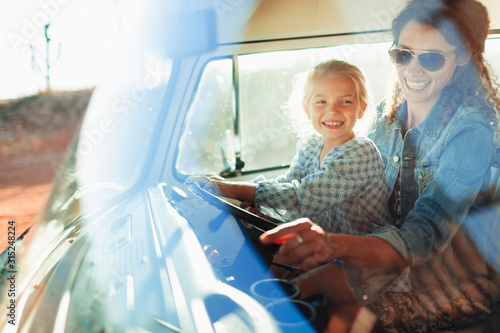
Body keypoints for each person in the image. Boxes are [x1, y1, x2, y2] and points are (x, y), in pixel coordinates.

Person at [260, 0, 500, 331]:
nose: (412, 71)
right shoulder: (387, 113)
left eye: (430, 58)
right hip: (377, 256)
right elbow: (338, 178)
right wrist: (253, 200)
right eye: (403, 55)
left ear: (461, 58)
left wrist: (333, 244)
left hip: (444, 277)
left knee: (320, 316)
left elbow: (422, 237)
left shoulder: (471, 131)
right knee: (282, 283)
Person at [187, 59, 392, 237]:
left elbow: (301, 197)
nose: (332, 110)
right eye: (321, 101)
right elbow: (288, 183)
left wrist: (227, 188)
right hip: (319, 247)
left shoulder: (361, 153)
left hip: (361, 255)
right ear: (307, 109)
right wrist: (253, 199)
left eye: (345, 101)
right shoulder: (310, 145)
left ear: (361, 109)